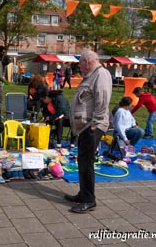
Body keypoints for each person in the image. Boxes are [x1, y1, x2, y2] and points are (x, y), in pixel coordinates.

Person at [67, 50, 112, 214]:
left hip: (92, 126)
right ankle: (83, 193)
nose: (80, 68)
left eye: (80, 64)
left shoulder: (101, 74)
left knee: (86, 163)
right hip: (85, 127)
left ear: (87, 61)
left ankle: (89, 200)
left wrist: (95, 123)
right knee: (82, 161)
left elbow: (103, 98)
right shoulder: (92, 76)